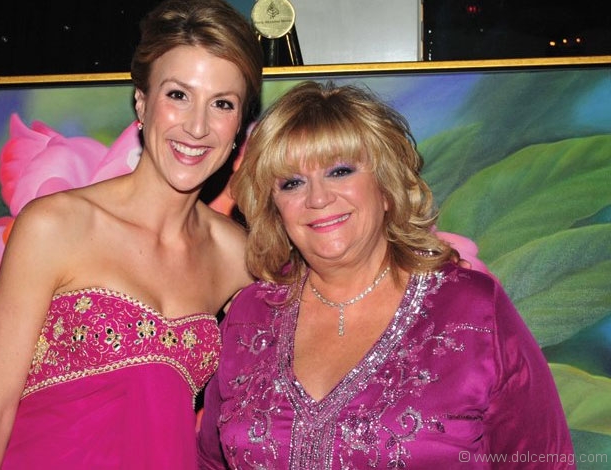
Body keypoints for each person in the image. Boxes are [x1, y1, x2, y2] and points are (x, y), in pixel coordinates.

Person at [197, 81, 575, 469]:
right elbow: (211, 461)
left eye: (340, 171)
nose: (318, 198)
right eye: (292, 183)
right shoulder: (250, 315)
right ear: (275, 209)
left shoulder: (473, 309)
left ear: (386, 187)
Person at [0, 0, 263, 468]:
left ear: (239, 124)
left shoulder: (237, 256)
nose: (197, 126)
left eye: (222, 104)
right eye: (178, 95)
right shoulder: (56, 225)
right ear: (142, 101)